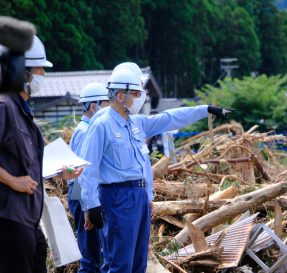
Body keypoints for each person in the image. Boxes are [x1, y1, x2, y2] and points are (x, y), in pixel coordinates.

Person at [79, 63, 229, 273]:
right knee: (119, 263)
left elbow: (170, 118)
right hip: (116, 198)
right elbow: (88, 166)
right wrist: (90, 204)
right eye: (136, 93)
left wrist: (205, 110)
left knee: (138, 262)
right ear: (121, 95)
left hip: (138, 197)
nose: (140, 97)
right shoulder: (101, 124)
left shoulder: (135, 123)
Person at [0, 35, 82, 273]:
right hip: (9, 220)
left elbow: (34, 158)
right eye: (38, 69)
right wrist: (14, 181)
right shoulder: (5, 107)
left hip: (28, 220)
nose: (43, 76)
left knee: (38, 255)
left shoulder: (23, 112)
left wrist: (62, 171)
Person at [68, 82, 110, 273]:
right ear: (94, 106)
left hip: (83, 193)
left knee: (95, 252)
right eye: (106, 104)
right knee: (90, 256)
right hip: (81, 194)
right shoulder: (85, 132)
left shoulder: (86, 130)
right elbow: (83, 173)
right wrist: (88, 206)